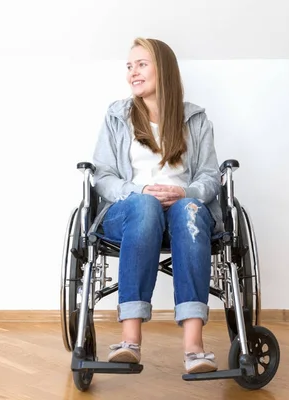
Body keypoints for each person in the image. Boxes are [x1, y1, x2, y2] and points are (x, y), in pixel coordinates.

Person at [91, 37, 223, 374]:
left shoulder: (195, 120)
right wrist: (140, 190)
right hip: (130, 210)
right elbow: (103, 176)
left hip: (184, 211)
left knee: (189, 211)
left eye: (141, 64)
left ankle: (194, 347)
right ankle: (129, 340)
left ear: (162, 70)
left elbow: (210, 175)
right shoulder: (117, 116)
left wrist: (188, 193)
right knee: (146, 206)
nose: (132, 72)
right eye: (129, 66)